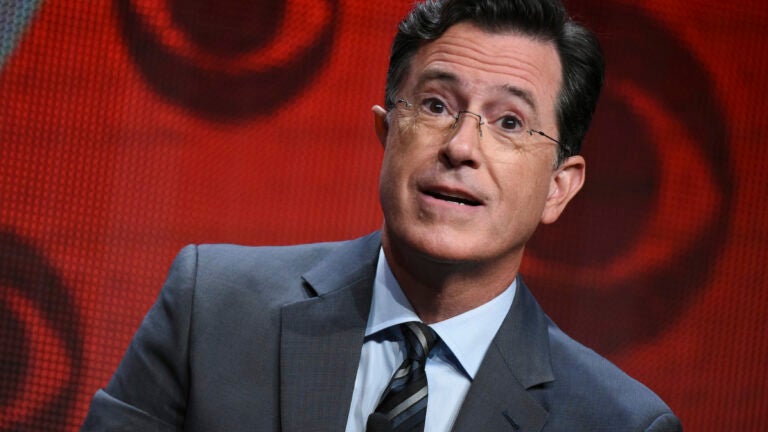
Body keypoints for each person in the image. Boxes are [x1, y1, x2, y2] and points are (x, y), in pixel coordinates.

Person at [82, 0, 683, 430]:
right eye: (435, 105)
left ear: (558, 187)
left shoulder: (617, 420)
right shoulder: (211, 308)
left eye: (509, 122)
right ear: (387, 132)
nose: (461, 147)